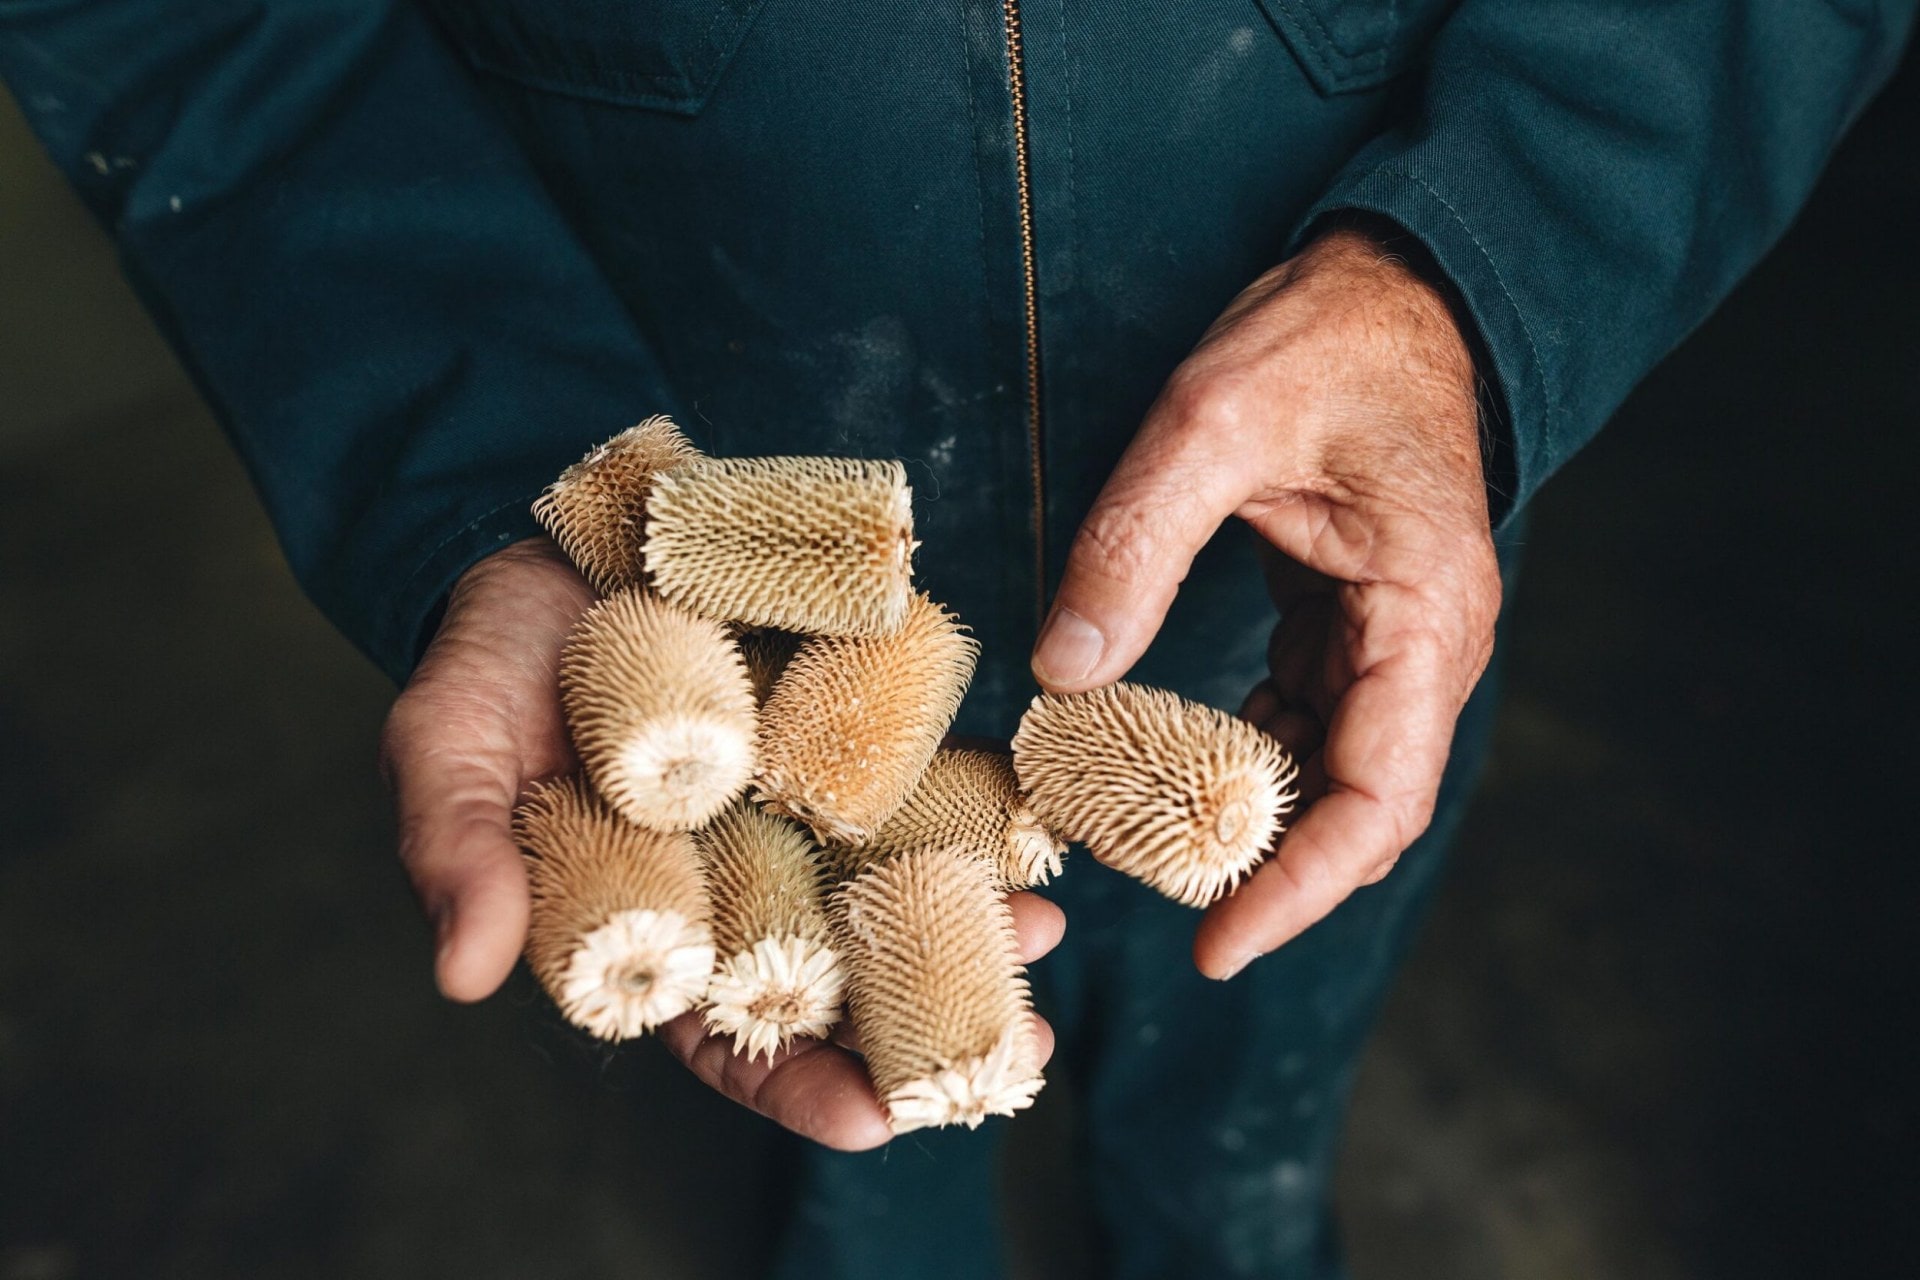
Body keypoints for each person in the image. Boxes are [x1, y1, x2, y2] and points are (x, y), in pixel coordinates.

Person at [3, 3, 1909, 1275]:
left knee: (1249, 1081)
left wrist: (1478, 275)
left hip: (1308, 567)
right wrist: (487, 461)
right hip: (686, 542)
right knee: (857, 1145)